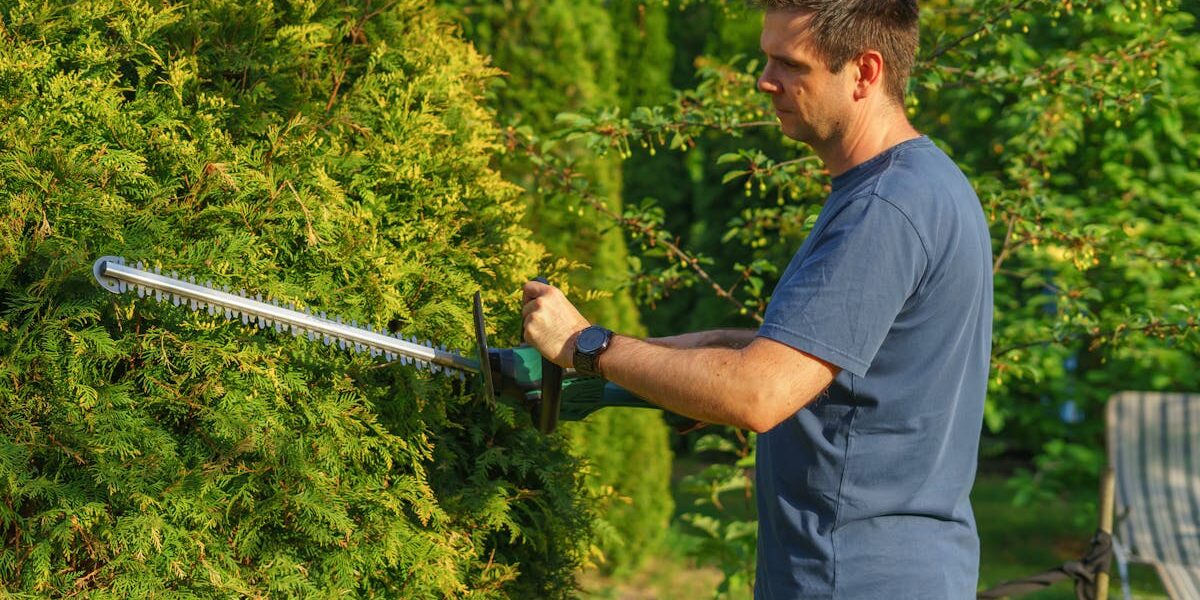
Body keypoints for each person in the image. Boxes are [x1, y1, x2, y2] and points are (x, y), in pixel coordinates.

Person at [521, 1, 993, 597]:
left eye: (790, 63)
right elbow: (793, 357)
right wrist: (607, 370)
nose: (764, 80)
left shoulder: (884, 210)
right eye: (765, 57)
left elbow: (759, 391)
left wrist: (586, 345)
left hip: (851, 577)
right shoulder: (926, 185)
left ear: (865, 73)